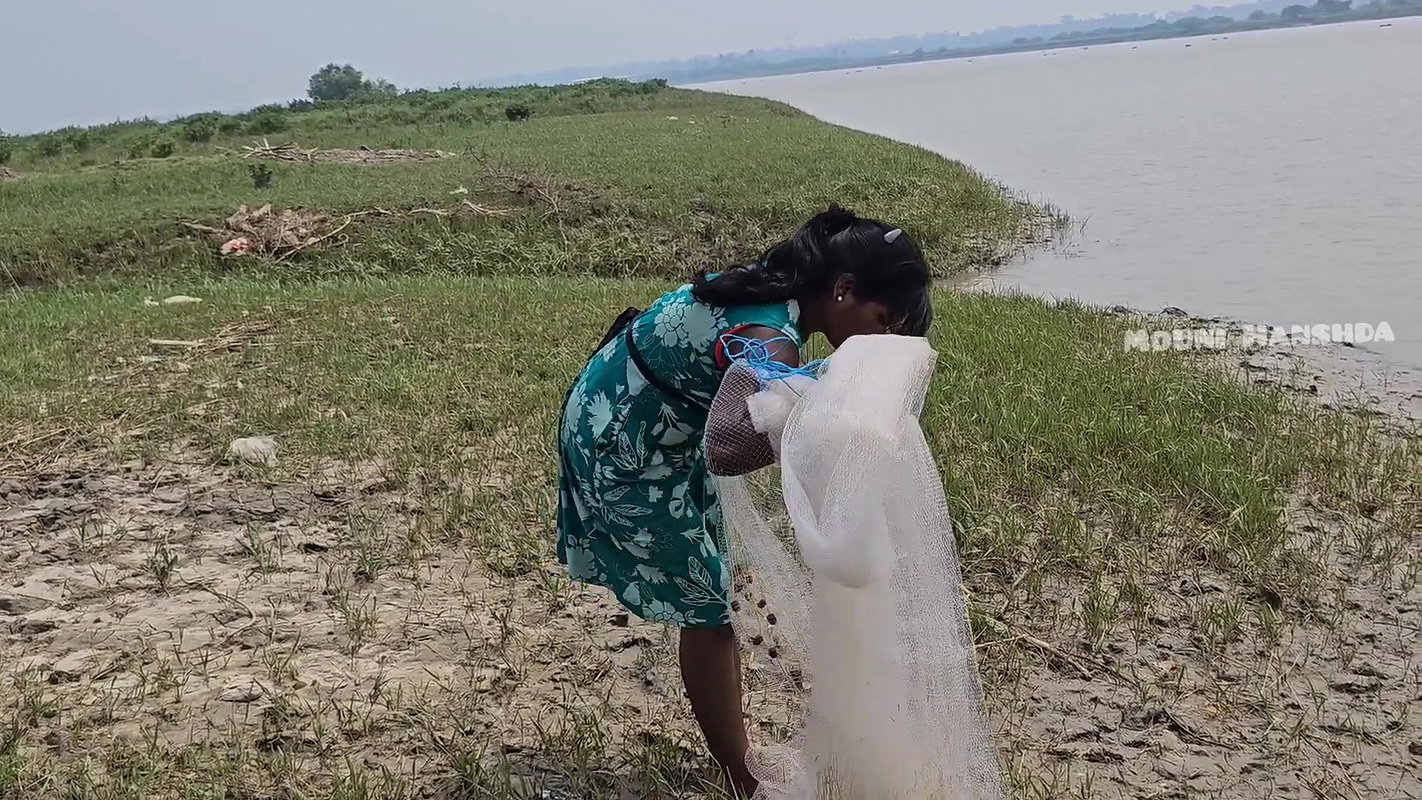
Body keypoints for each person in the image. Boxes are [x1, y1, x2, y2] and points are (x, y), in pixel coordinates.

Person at [555, 205, 933, 796]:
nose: (882, 340)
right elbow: (727, 445)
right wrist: (818, 409)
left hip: (628, 413)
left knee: (718, 592)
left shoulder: (776, 289)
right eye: (882, 321)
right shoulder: (770, 337)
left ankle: (736, 754)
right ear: (843, 290)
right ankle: (740, 775)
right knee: (710, 615)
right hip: (626, 445)